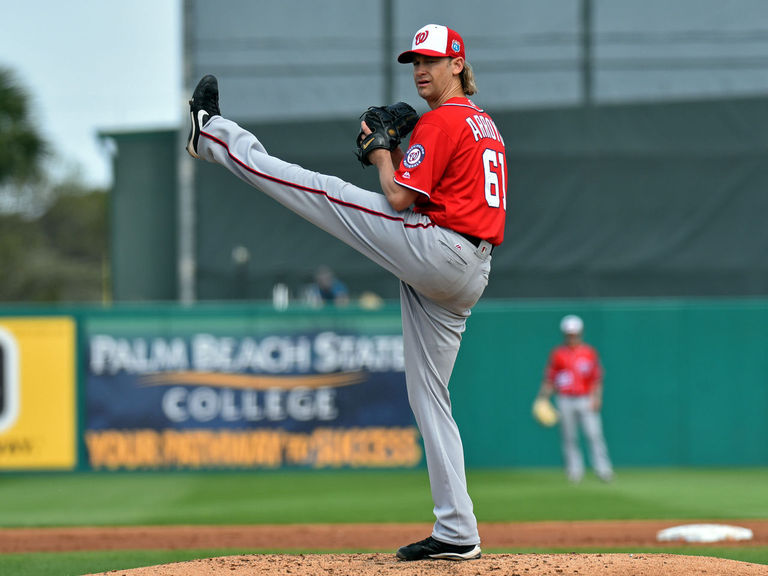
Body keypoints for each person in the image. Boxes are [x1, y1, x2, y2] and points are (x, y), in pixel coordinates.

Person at [185, 23, 506, 561]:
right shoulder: (484, 124)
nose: (421, 69)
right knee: (429, 396)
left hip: (439, 251)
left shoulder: (445, 120)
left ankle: (212, 135)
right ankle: (458, 531)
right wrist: (397, 148)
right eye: (415, 62)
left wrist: (383, 151)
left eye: (432, 60)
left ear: (458, 65)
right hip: (469, 271)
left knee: (322, 190)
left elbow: (399, 198)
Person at [537, 315, 614, 483]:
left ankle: (603, 469)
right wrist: (543, 398)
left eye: (574, 334)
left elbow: (596, 378)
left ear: (580, 333)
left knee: (594, 434)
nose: (572, 337)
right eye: (569, 334)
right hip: (565, 398)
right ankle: (574, 471)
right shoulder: (558, 354)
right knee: (569, 436)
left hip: (585, 398)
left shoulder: (589, 352)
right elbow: (550, 378)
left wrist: (597, 398)